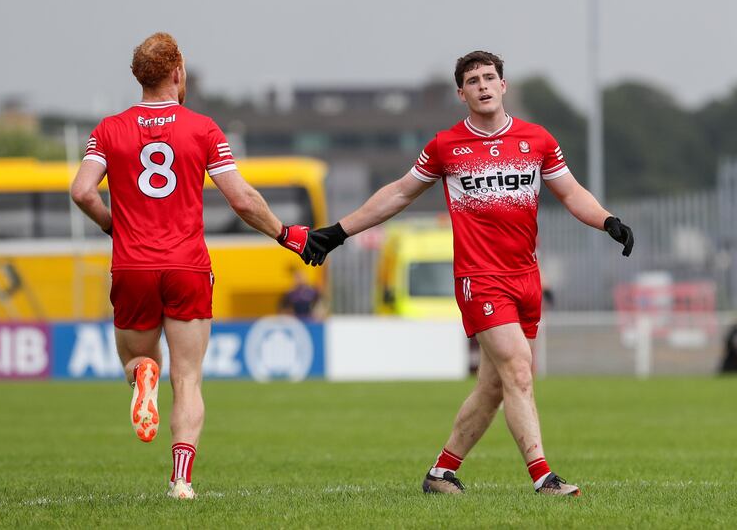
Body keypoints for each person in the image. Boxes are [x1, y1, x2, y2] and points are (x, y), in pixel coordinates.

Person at [309, 51, 634, 497]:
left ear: (503, 85)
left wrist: (607, 221)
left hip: (526, 277)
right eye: (472, 80)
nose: (482, 85)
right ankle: (544, 478)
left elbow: (572, 192)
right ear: (460, 93)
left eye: (489, 77)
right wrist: (338, 232)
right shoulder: (446, 146)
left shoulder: (536, 139)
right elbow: (399, 193)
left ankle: (441, 473)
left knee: (495, 387)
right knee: (519, 370)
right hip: (480, 278)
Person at [70, 32, 322, 500]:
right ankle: (181, 480)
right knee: (187, 378)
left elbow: (82, 191)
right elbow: (242, 200)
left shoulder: (107, 129)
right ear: (178, 72)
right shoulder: (203, 128)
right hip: (187, 266)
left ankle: (142, 377)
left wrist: (114, 226)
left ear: (137, 77)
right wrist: (288, 236)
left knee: (137, 359)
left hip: (132, 266)